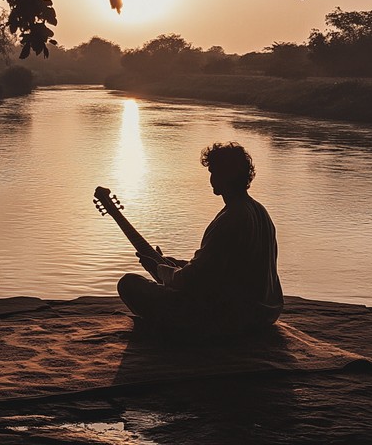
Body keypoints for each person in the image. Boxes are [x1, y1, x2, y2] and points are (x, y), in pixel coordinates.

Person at [117, 141, 284, 337]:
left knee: (129, 283)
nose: (211, 178)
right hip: (267, 312)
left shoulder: (230, 218)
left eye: (214, 172)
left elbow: (191, 282)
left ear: (227, 175)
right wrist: (176, 264)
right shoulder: (260, 211)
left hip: (233, 319)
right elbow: (223, 270)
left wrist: (158, 269)